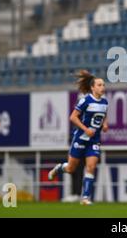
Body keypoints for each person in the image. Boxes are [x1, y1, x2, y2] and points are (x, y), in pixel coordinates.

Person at [48, 70, 108, 205]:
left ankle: (85, 198)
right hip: (81, 138)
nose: (102, 87)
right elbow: (73, 117)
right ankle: (59, 168)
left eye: (103, 85)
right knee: (71, 168)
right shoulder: (85, 100)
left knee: (91, 167)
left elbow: (104, 116)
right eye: (99, 85)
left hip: (94, 140)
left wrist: (105, 124)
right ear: (92, 87)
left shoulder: (105, 102)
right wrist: (85, 129)